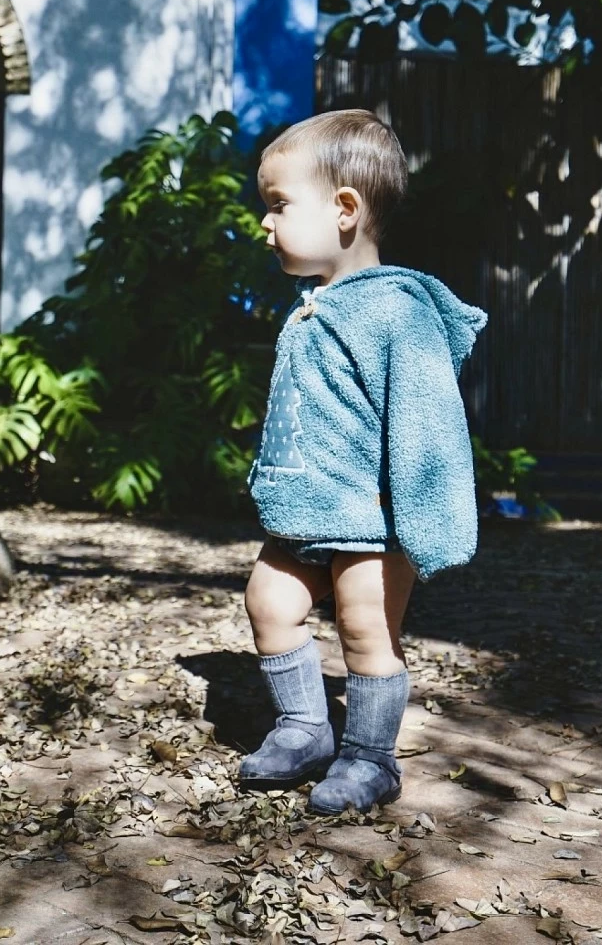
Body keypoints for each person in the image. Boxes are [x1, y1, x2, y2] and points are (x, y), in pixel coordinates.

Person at [240, 109, 488, 815]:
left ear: (344, 210)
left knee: (364, 626)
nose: (266, 222)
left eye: (278, 205)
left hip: (374, 516)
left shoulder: (395, 311)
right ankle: (305, 728)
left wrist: (427, 517)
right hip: (311, 510)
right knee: (269, 602)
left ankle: (371, 759)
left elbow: (428, 420)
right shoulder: (315, 304)